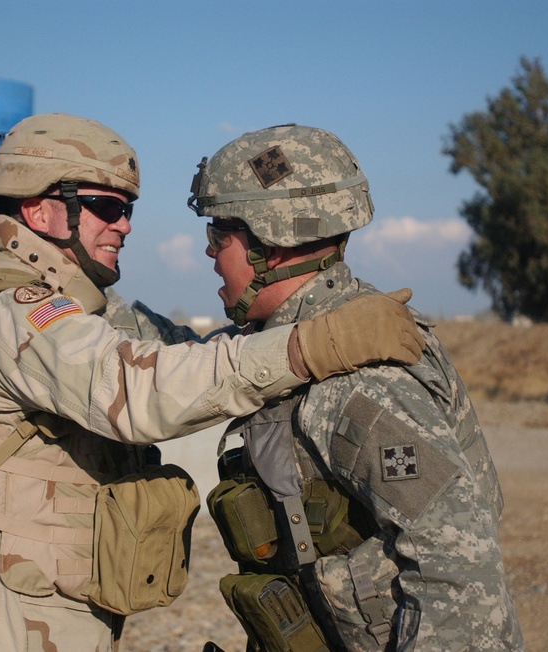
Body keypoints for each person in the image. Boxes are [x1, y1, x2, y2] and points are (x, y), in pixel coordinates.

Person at [0, 113, 426, 652]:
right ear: (38, 210)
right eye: (105, 207)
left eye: (126, 210)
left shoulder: (66, 310)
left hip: (30, 609)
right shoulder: (9, 311)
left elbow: (175, 353)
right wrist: (317, 345)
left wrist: (291, 319)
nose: (124, 225)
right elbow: (136, 391)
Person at [188, 124, 523, 651]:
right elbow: (175, 361)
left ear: (269, 246)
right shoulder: (306, 337)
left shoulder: (356, 379)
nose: (209, 254)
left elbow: (456, 568)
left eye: (218, 237)